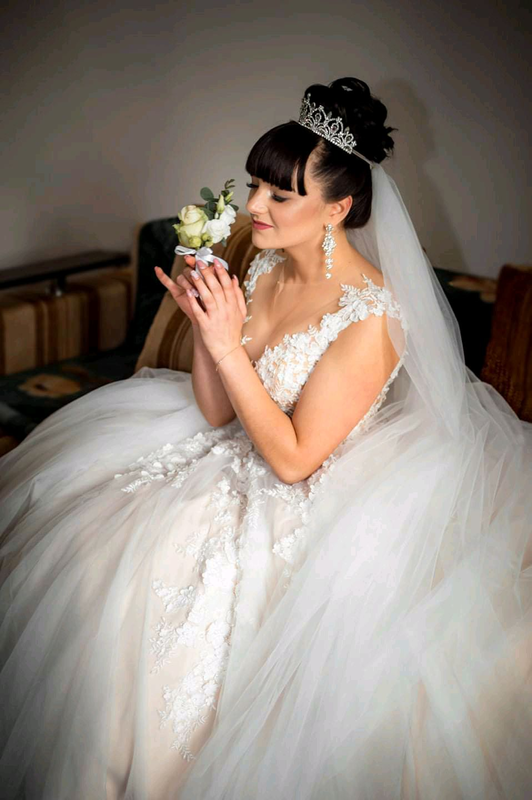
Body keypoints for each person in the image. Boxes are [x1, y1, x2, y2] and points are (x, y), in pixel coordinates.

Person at [0, 77, 531, 800]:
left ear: (338, 208)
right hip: (233, 451)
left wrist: (227, 346)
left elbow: (293, 460)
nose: (255, 206)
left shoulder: (372, 316)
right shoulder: (269, 266)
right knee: (80, 542)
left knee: (155, 588)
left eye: (281, 195)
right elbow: (217, 412)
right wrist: (202, 322)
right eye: (255, 185)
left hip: (308, 486)